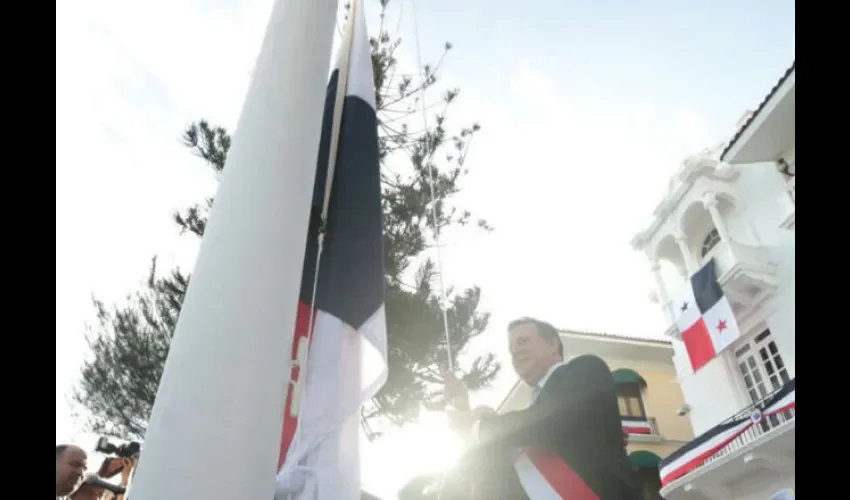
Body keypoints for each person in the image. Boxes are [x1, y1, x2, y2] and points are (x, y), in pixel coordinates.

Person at [443, 317, 641, 499]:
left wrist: (483, 427)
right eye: (511, 350)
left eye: (523, 342)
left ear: (552, 344)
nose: (515, 353)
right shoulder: (529, 419)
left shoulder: (586, 368)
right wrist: (465, 417)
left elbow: (552, 420)